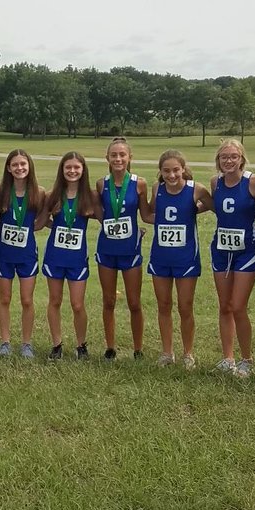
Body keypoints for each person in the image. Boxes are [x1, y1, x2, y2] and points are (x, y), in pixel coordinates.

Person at [209, 138, 255, 376]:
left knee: (238, 306)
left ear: (241, 159)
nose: (228, 161)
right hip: (221, 250)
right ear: (218, 160)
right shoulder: (216, 182)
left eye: (233, 156)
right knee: (224, 306)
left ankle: (246, 359)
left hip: (248, 250)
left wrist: (253, 217)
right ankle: (228, 358)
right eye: (224, 157)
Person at [147, 150, 213, 369]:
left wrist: (194, 211)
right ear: (161, 172)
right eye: (166, 171)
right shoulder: (157, 189)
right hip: (160, 257)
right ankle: (167, 353)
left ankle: (188, 354)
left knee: (185, 306)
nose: (172, 175)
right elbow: (149, 214)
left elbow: (214, 206)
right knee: (163, 305)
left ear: (183, 169)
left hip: (186, 258)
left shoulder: (196, 189)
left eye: (176, 170)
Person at [95, 137, 151, 361]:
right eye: (114, 155)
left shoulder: (140, 184)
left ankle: (138, 349)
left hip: (130, 251)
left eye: (122, 155)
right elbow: (101, 215)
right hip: (107, 250)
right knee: (108, 300)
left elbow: (146, 214)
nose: (118, 159)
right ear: (107, 158)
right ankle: (110, 347)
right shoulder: (101, 184)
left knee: (134, 302)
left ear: (129, 158)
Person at [0, 150, 49, 358]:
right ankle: (5, 342)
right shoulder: (0, 191)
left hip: (27, 255)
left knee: (26, 300)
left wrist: (31, 227)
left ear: (29, 166)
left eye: (23, 164)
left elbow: (42, 219)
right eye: (15, 165)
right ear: (8, 168)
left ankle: (26, 343)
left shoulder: (38, 192)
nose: (19, 168)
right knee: (4, 298)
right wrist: (5, 225)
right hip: (4, 253)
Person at [42, 152, 102, 361]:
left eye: (76, 167)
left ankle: (81, 345)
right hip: (55, 257)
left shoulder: (91, 196)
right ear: (62, 170)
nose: (72, 171)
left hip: (77, 259)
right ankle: (56, 344)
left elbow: (106, 220)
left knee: (77, 304)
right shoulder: (53, 195)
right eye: (68, 167)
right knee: (55, 300)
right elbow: (41, 222)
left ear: (83, 170)